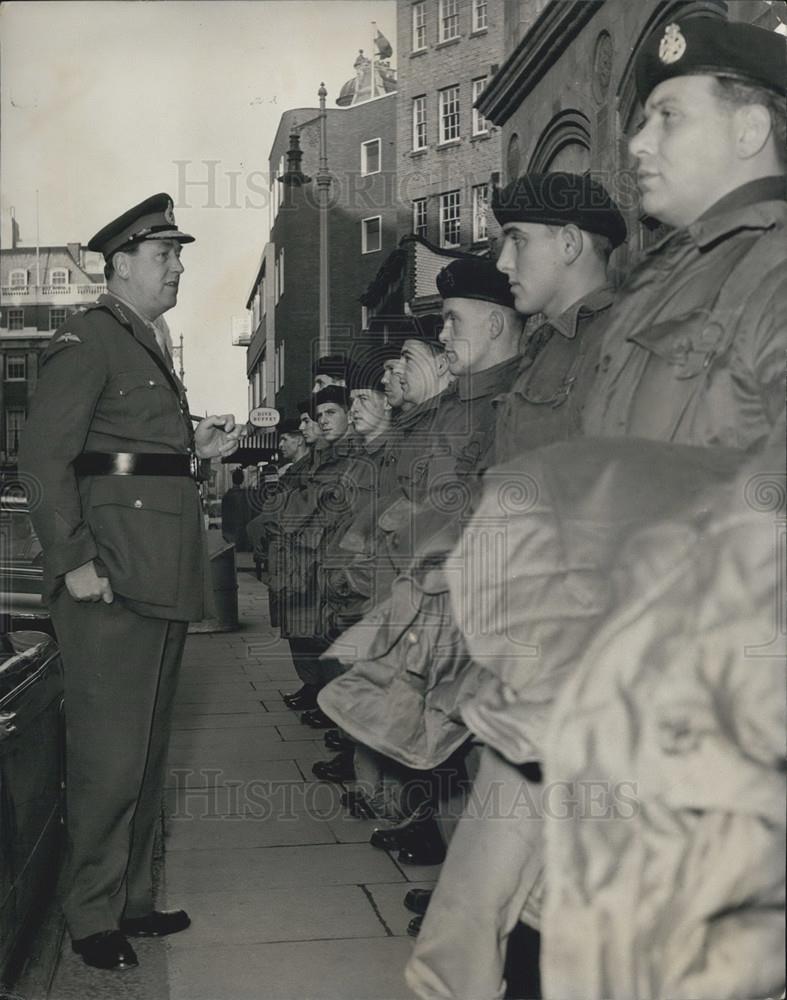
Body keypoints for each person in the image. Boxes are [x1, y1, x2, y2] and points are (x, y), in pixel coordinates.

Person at [18, 193, 243, 972]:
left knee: (145, 753)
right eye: (164, 255)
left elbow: (135, 455)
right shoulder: (88, 336)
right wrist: (72, 558)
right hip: (108, 579)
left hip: (158, 574)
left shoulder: (144, 339)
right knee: (108, 759)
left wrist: (194, 446)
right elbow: (43, 462)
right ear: (118, 264)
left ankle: (131, 902)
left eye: (179, 254)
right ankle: (89, 917)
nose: (178, 267)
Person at [583, 16, 786, 450]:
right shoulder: (663, 276)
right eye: (644, 121)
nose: (638, 144)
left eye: (669, 117)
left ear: (749, 130)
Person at [492, 172, 626, 460]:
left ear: (569, 244)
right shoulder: (545, 344)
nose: (503, 263)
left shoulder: (622, 342)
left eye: (518, 241)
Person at [220, 467, 251, 551]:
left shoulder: (226, 496)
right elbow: (247, 516)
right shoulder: (245, 496)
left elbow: (224, 515)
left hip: (229, 533)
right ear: (242, 480)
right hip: (242, 534)